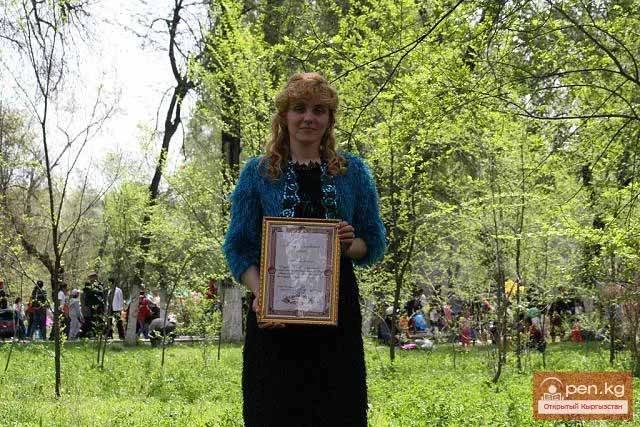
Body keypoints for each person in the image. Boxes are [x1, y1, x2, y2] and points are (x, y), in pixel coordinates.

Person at [223, 72, 386, 426]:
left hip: (336, 319)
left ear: (329, 119)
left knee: (337, 412)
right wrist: (261, 292)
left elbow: (373, 242)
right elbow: (238, 247)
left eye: (318, 110)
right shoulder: (257, 174)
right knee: (273, 411)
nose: (308, 118)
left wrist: (349, 245)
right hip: (275, 317)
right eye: (299, 108)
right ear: (284, 115)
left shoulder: (354, 172)